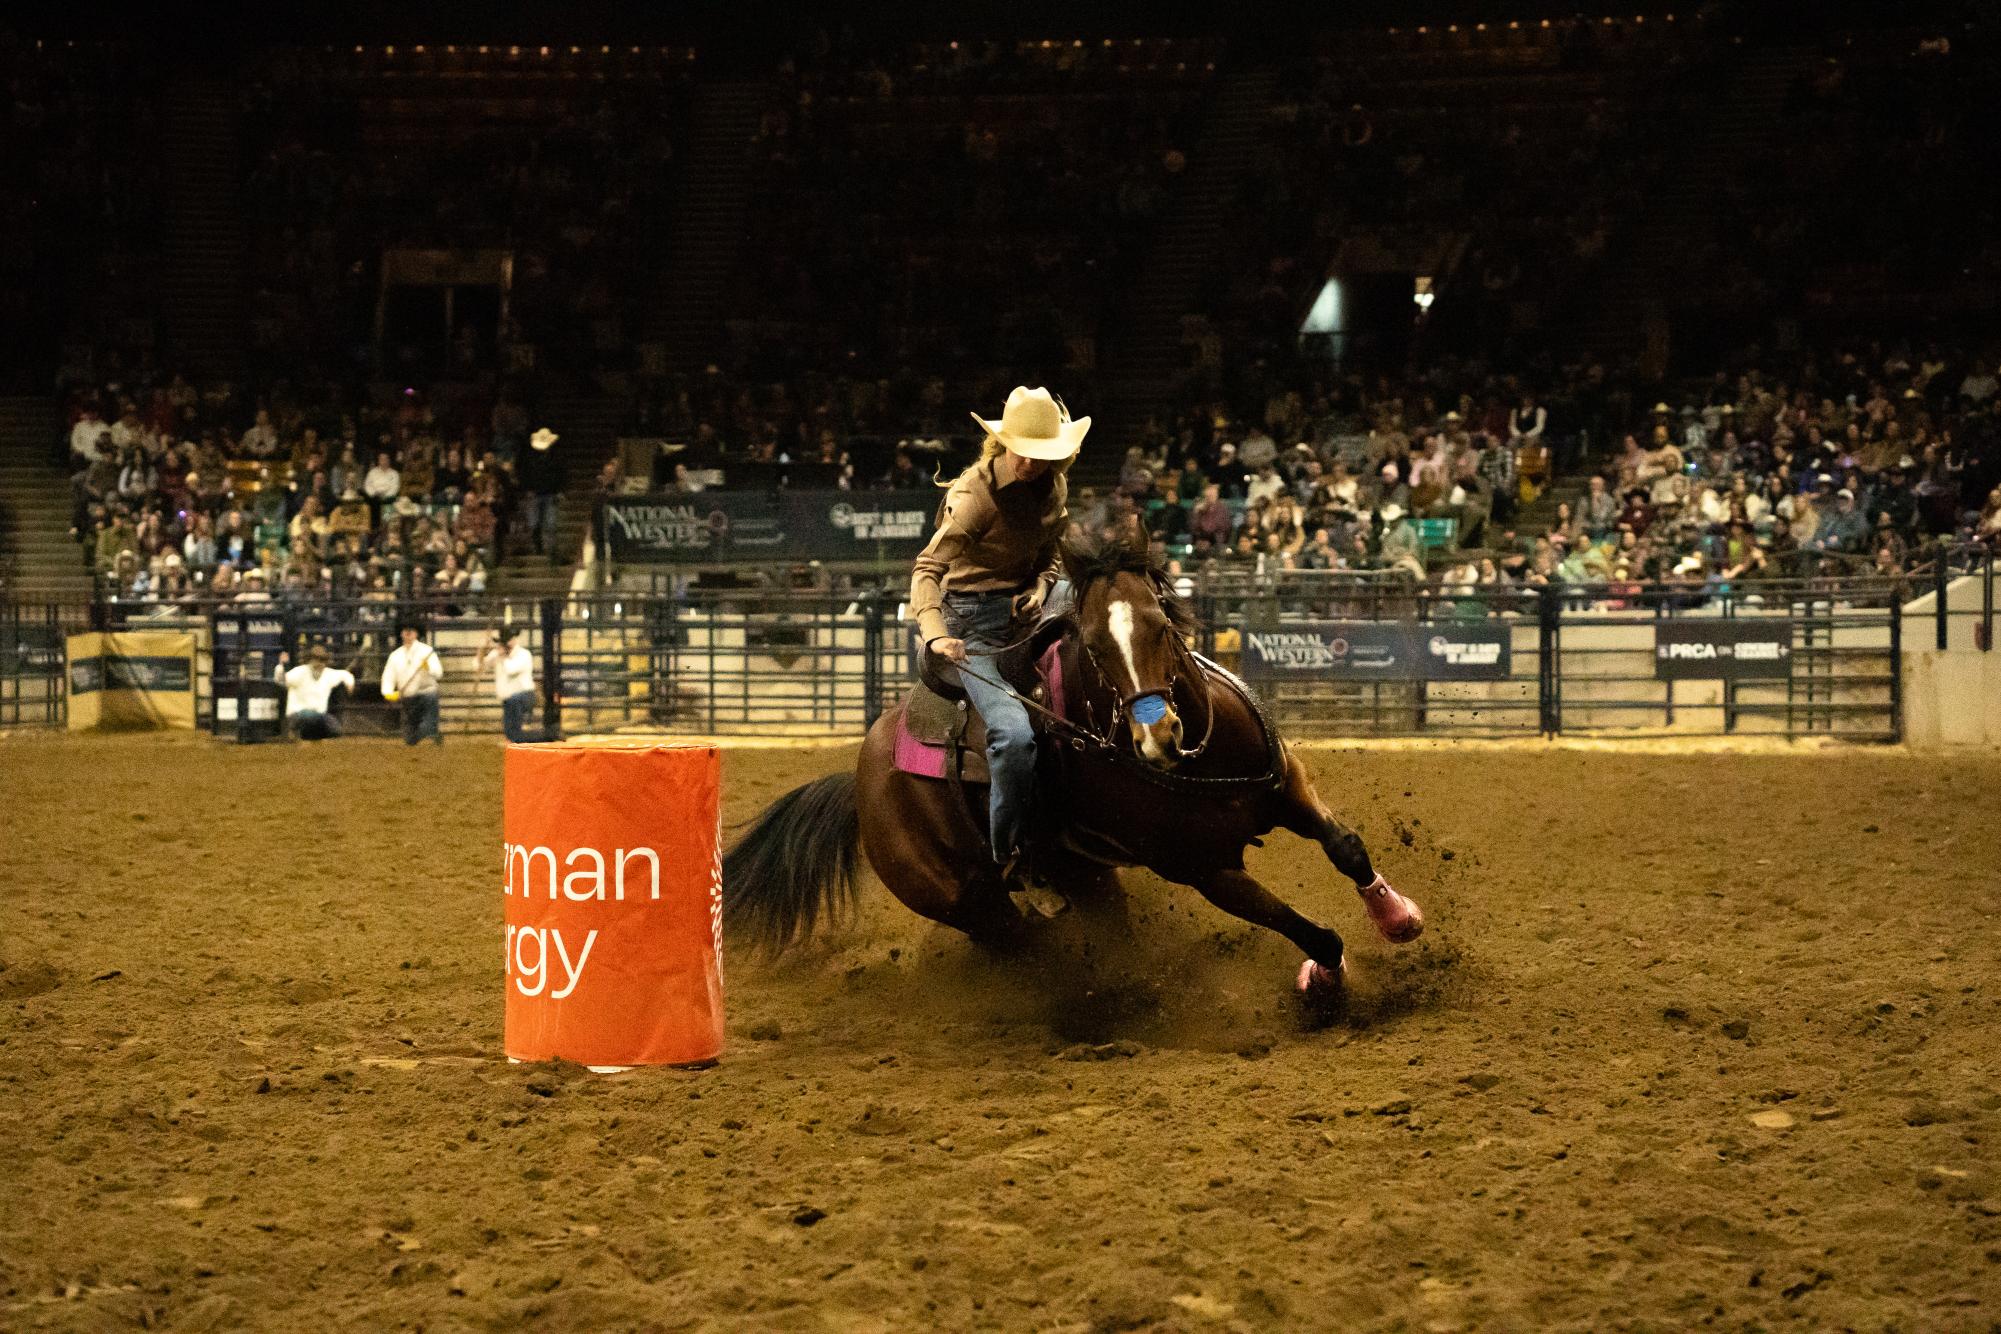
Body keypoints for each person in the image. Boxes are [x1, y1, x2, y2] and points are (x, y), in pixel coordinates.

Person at [909, 385, 1085, 878]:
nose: (1030, 463)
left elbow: (1050, 550)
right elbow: (927, 568)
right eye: (1022, 452)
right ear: (1003, 444)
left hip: (1027, 608)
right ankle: (1008, 853)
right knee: (1013, 735)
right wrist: (935, 633)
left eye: (1042, 455)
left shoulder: (1054, 487)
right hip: (970, 625)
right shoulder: (975, 496)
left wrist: (1041, 584)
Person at [480, 625, 550, 743]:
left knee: (515, 733)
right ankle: (546, 736)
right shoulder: (498, 654)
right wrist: (482, 648)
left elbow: (511, 670)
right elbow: (479, 665)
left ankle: (547, 736)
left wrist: (502, 656)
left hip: (523, 696)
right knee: (511, 732)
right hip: (510, 699)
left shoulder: (523, 654)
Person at [381, 623, 445, 746]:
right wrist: (388, 693)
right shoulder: (395, 656)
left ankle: (431, 733)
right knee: (410, 740)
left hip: (427, 695)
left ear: (416, 634)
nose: (408, 634)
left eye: (411, 631)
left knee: (427, 726)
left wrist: (429, 668)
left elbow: (439, 673)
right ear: (401, 633)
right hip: (408, 698)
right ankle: (433, 734)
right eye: (405, 631)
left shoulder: (427, 652)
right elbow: (388, 677)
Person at [275, 643, 354, 741]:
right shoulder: (300, 672)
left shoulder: (328, 674)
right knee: (311, 717)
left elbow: (345, 674)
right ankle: (294, 731)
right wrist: (281, 665)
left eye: (322, 660)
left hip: (319, 716)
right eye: (316, 659)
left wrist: (350, 682)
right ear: (310, 660)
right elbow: (280, 680)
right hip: (298, 714)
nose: (319, 663)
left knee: (335, 729)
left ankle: (308, 737)